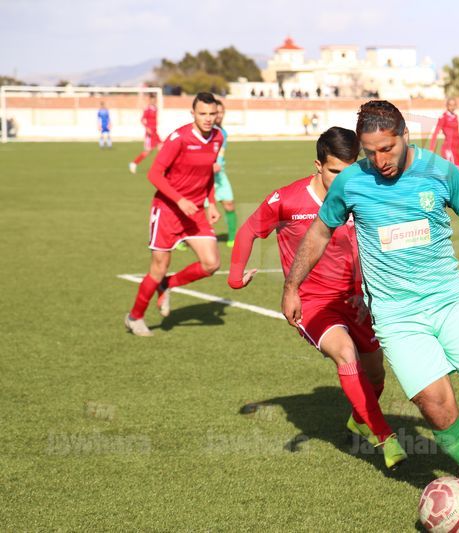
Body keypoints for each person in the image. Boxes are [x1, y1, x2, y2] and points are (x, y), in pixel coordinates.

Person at [282, 100, 459, 523]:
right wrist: (292, 286)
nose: (380, 160)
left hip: (450, 301)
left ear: (405, 136)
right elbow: (320, 231)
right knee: (436, 407)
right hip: (397, 317)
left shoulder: (440, 171)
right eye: (370, 151)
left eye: (387, 149)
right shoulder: (352, 183)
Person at [228, 127, 406, 470]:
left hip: (355, 301)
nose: (343, 180)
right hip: (311, 302)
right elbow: (250, 229)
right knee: (345, 353)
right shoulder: (287, 200)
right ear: (318, 166)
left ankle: (359, 420)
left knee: (376, 374)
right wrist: (235, 277)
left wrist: (366, 289)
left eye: (350, 171)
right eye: (335, 171)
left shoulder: (360, 196)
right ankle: (386, 437)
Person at [124, 92, 224, 337]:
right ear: (193, 114)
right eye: (202, 113)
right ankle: (135, 317)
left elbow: (208, 175)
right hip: (168, 210)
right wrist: (180, 200)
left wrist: (211, 202)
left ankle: (168, 284)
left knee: (211, 263)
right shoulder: (178, 138)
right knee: (158, 267)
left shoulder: (218, 137)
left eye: (212, 114)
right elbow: (154, 174)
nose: (208, 118)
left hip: (195, 212)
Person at [211, 99, 237, 247]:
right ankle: (183, 238)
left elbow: (220, 153)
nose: (220, 115)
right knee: (196, 209)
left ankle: (232, 238)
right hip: (204, 176)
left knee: (229, 203)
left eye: (222, 112)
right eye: (217, 112)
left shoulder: (223, 133)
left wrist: (218, 164)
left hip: (219, 175)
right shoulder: (206, 131)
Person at [428, 98, 459, 171]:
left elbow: (457, 135)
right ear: (447, 106)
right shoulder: (443, 118)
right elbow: (435, 133)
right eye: (450, 105)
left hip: (455, 149)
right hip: (448, 149)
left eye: (454, 105)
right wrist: (431, 149)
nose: (452, 107)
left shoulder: (456, 117)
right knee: (453, 171)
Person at [129, 94, 162, 173]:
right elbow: (142, 119)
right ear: (150, 100)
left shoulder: (155, 108)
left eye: (155, 100)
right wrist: (147, 128)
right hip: (149, 133)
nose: (154, 101)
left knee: (161, 148)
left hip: (155, 132)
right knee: (148, 151)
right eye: (152, 100)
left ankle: (158, 167)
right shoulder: (147, 109)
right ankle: (134, 163)